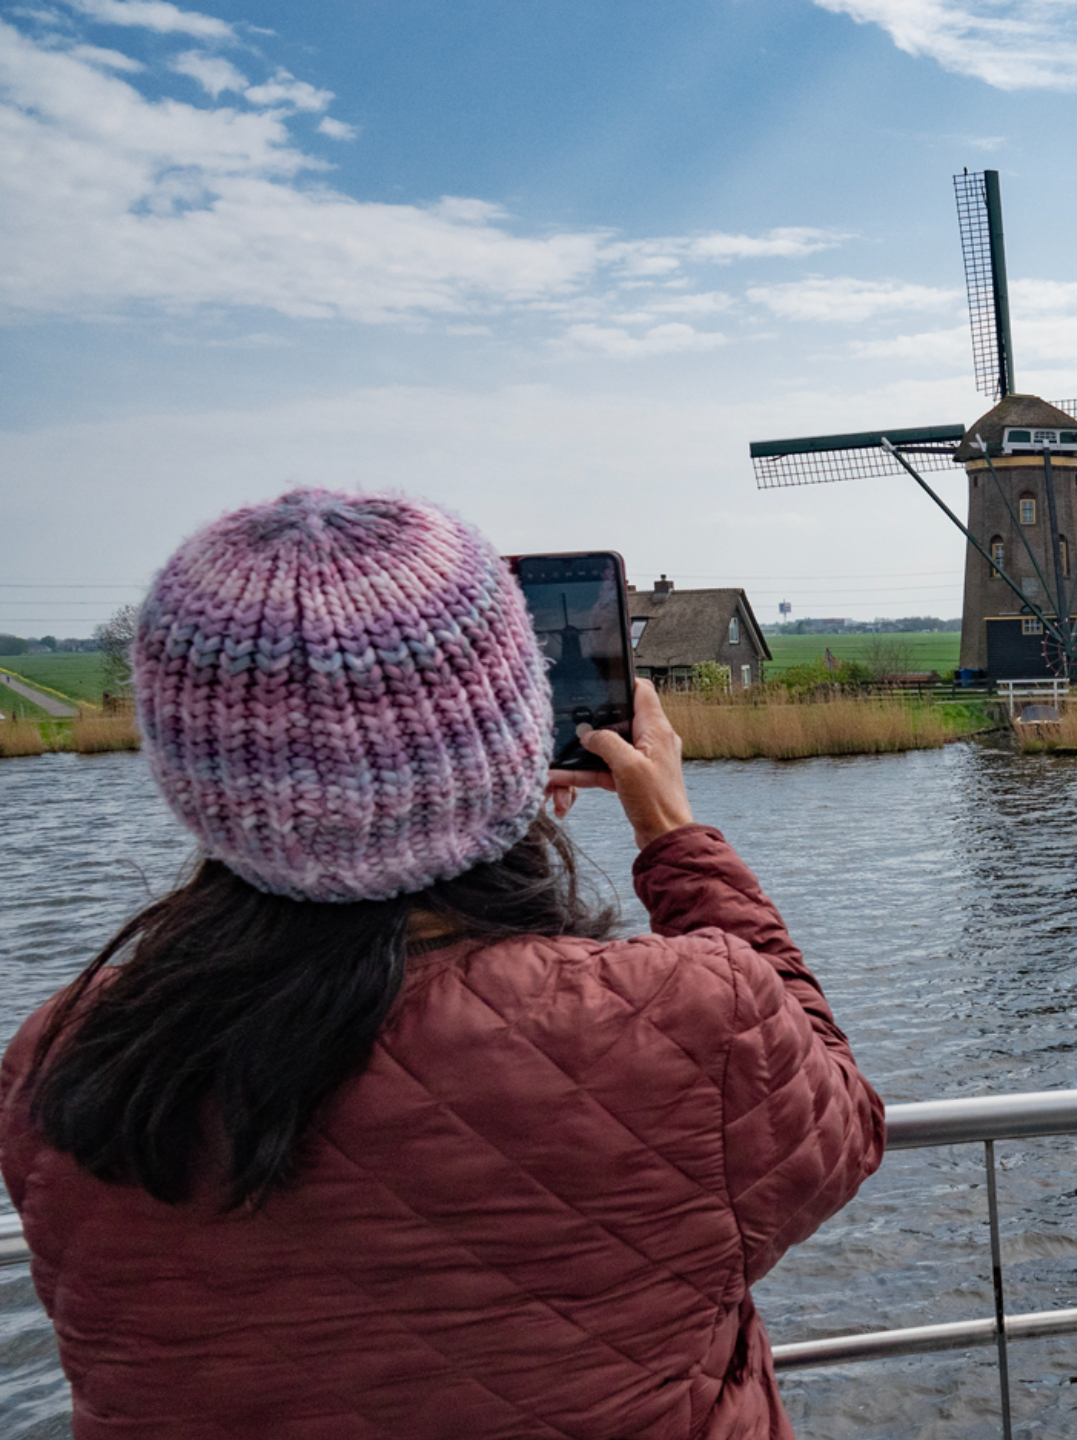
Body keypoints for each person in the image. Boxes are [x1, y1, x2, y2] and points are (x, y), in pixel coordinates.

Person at [0, 489, 884, 1439]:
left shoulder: (66, 1057)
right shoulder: (685, 1016)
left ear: (193, 771)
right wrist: (672, 834)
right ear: (515, 740)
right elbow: (840, 1121)